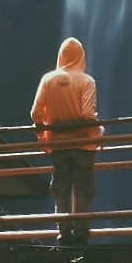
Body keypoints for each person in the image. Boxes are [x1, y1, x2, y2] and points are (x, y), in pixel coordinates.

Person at [31, 37, 103, 246]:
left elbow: (36, 113)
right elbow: (88, 115)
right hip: (83, 145)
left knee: (61, 188)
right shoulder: (87, 81)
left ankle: (63, 233)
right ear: (81, 56)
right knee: (83, 188)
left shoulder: (47, 79)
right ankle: (81, 233)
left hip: (58, 146)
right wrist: (99, 132)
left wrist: (44, 136)